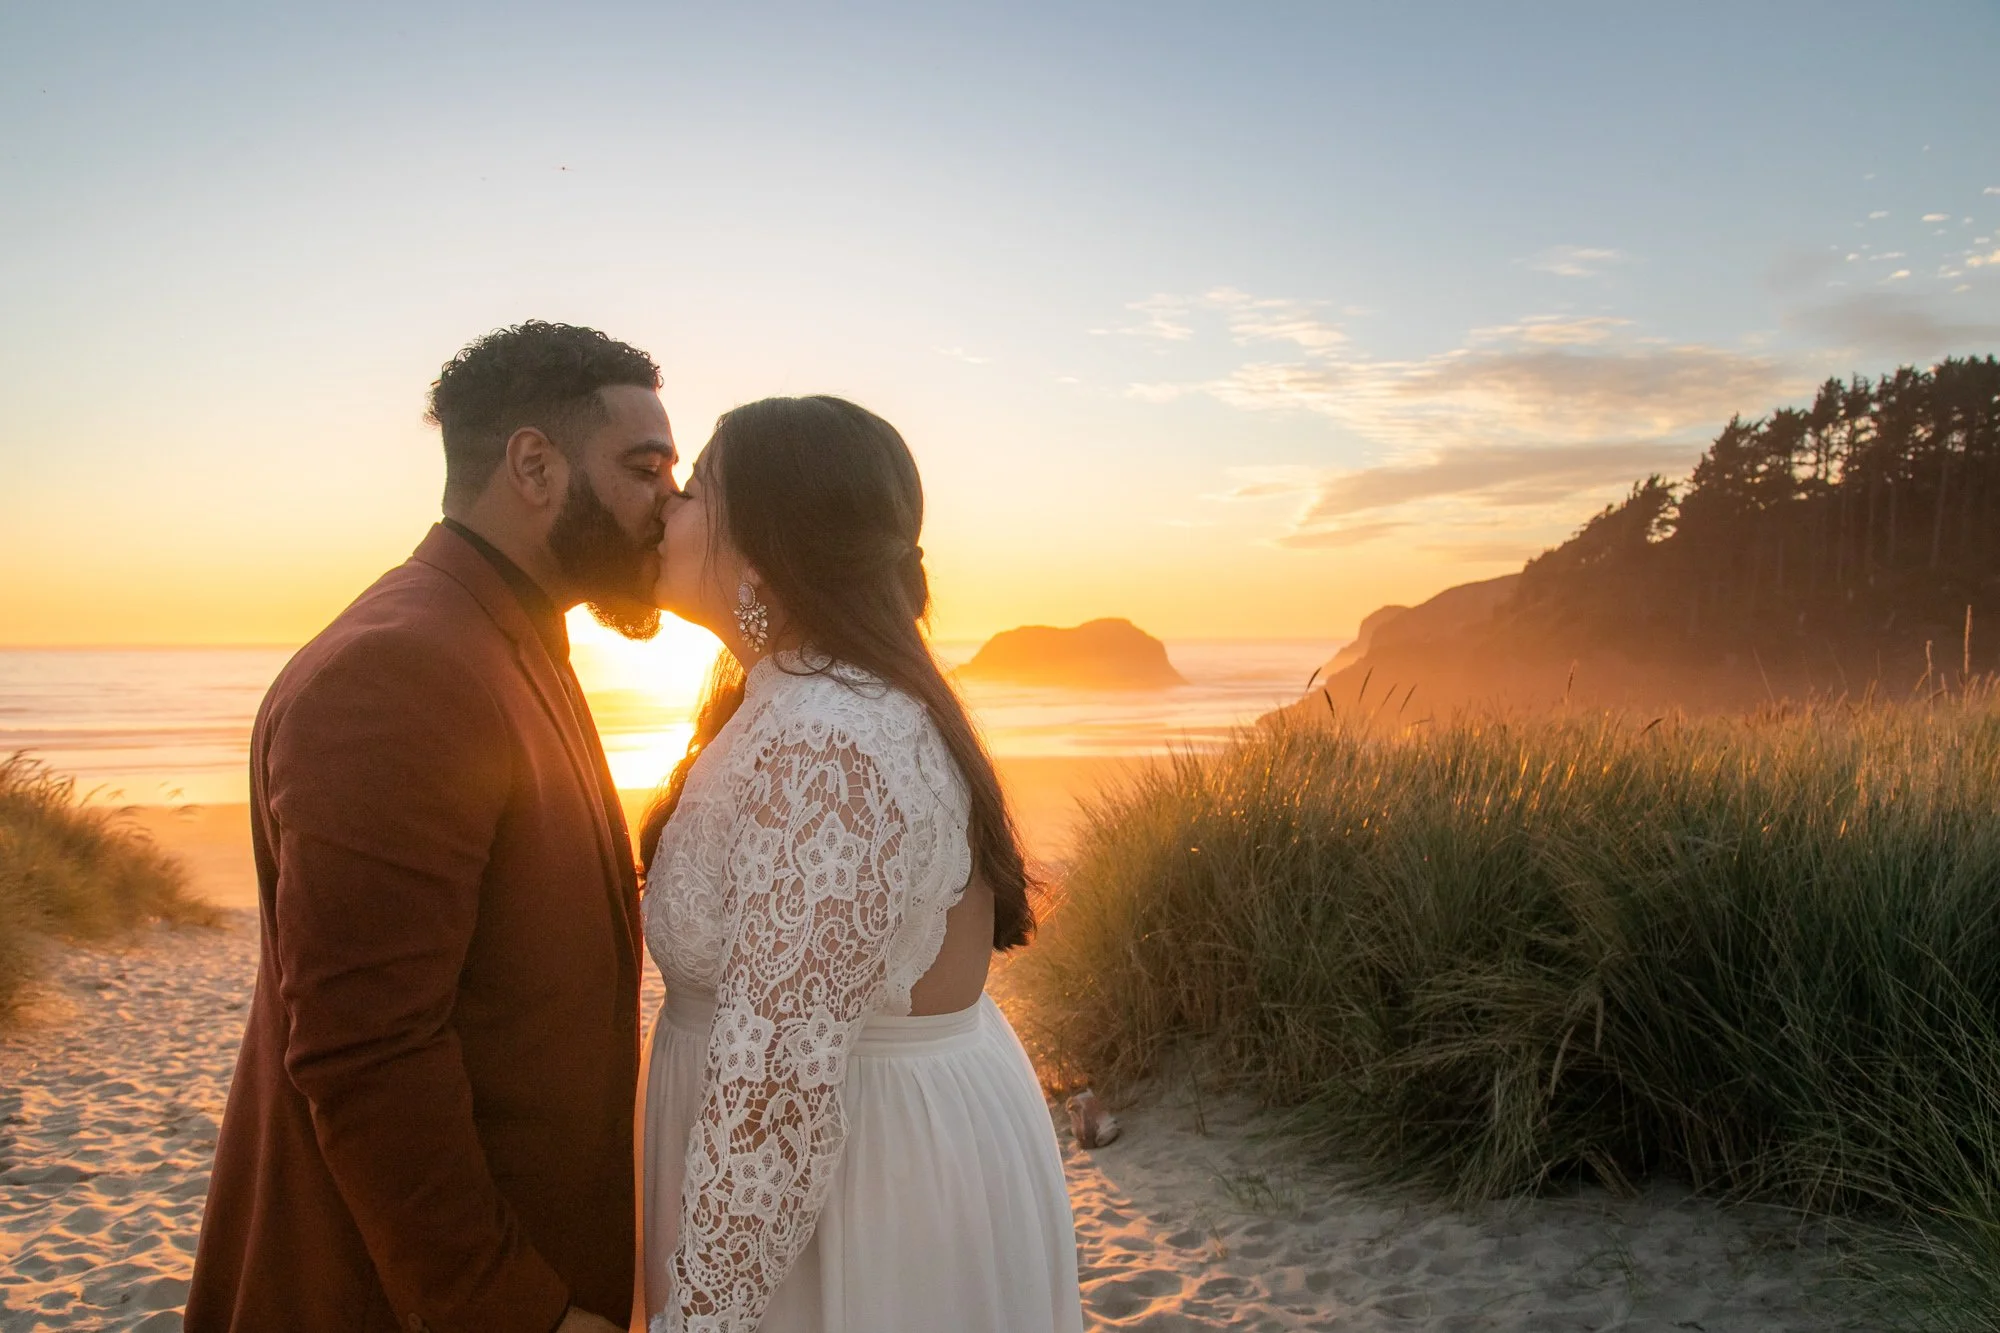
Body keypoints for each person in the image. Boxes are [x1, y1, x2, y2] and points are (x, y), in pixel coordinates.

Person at [186, 321, 678, 1333]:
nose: (667, 506)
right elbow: (366, 1053)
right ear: (533, 465)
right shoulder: (401, 670)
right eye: (644, 468)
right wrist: (518, 1313)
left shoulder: (503, 636)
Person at [638, 395, 1085, 1332]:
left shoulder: (826, 748)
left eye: (698, 488)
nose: (667, 505)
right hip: (884, 1157)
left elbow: (778, 1099)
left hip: (858, 1202)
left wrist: (698, 1319)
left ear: (762, 546)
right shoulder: (799, 705)